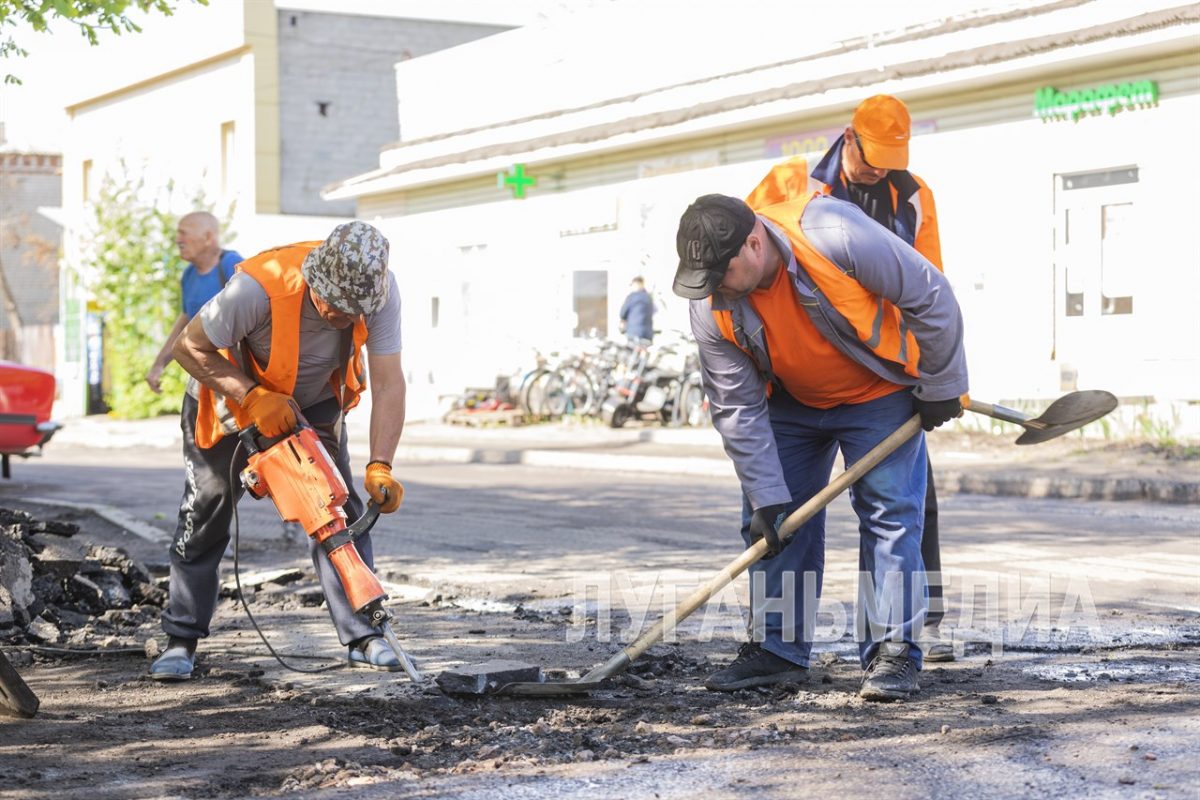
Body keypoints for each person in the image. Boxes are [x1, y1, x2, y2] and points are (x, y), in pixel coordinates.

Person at [672, 192, 967, 701]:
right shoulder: (709, 306)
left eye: (722, 272)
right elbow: (736, 407)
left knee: (891, 517)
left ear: (755, 242)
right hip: (791, 400)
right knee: (777, 524)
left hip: (878, 392)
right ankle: (776, 650)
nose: (715, 289)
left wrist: (941, 386)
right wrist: (766, 494)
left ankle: (893, 653)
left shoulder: (833, 233)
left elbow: (930, 295)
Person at [149, 221, 408, 681]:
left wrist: (381, 463)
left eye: (355, 311)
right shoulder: (257, 288)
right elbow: (190, 348)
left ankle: (366, 635)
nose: (345, 318)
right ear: (315, 280)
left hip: (311, 402)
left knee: (336, 510)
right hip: (227, 397)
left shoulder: (380, 294)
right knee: (206, 512)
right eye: (336, 306)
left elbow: (389, 381)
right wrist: (252, 397)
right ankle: (181, 639)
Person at [746, 94, 954, 662]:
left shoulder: (912, 197)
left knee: (901, 509)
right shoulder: (793, 182)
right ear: (848, 137)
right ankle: (777, 650)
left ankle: (901, 640)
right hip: (795, 380)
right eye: (872, 156)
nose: (880, 168)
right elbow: (742, 254)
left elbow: (928, 286)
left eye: (892, 157)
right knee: (784, 514)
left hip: (883, 379)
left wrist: (933, 379)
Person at [145, 212, 243, 393]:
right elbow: (186, 321)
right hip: (204, 377)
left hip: (236, 378)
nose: (178, 240)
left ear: (207, 237)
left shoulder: (234, 265)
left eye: (184, 233)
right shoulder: (189, 274)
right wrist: (159, 364)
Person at [619, 276, 655, 343]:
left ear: (635, 284)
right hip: (648, 333)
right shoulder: (649, 297)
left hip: (634, 331)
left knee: (632, 351)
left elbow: (622, 313)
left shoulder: (632, 296)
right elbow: (653, 311)